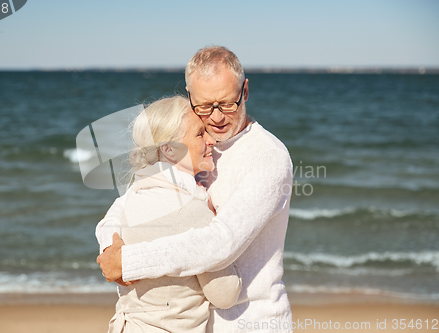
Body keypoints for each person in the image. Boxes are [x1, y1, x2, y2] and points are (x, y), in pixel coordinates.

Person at [97, 46, 294, 333]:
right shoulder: (191, 147)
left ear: (245, 91)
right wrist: (108, 247)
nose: (216, 118)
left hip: (251, 321)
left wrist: (129, 262)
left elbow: (219, 243)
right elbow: (124, 204)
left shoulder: (267, 156)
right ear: (189, 95)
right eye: (204, 106)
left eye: (228, 103)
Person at [96, 96, 242, 333]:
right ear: (169, 150)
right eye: (199, 134)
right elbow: (225, 294)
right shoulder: (191, 211)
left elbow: (108, 222)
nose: (210, 140)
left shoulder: (133, 196)